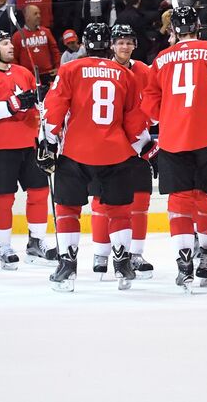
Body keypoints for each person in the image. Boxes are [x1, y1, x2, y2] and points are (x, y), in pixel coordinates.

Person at [38, 24, 149, 292]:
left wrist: (47, 143)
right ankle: (123, 265)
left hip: (75, 151)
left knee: (67, 209)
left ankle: (67, 267)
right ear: (109, 45)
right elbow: (134, 121)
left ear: (86, 43)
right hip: (116, 153)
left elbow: (54, 110)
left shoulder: (70, 69)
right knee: (120, 211)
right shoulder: (125, 74)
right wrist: (146, 148)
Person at [141, 5, 207, 292]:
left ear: (173, 30)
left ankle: (185, 268)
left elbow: (150, 105)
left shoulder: (161, 59)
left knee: (181, 203)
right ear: (198, 27)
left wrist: (170, 116)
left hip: (173, 140)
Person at [0, 30, 50, 269]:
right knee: (3, 198)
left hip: (29, 143)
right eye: (5, 43)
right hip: (1, 146)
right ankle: (4, 246)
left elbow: (36, 109)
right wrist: (14, 104)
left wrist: (41, 103)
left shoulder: (24, 73)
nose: (11, 47)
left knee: (39, 192)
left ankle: (36, 243)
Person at [109, 23, 157, 279]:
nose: (125, 46)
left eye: (129, 42)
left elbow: (154, 101)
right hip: (111, 146)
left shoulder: (144, 70)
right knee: (112, 205)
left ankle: (135, 254)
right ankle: (108, 253)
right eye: (120, 42)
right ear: (112, 45)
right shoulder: (104, 71)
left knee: (141, 200)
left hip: (140, 144)